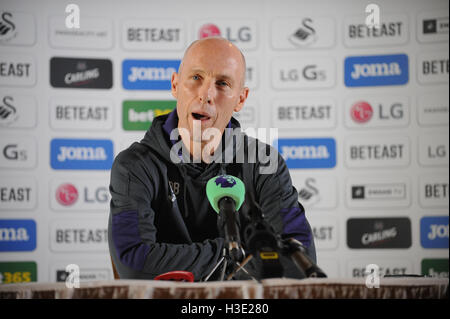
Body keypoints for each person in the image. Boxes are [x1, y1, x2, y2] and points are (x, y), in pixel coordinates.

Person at [108, 37, 316, 281]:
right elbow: (134, 264)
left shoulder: (264, 164)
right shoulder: (134, 166)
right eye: (196, 78)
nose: (206, 94)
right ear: (175, 84)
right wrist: (237, 253)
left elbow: (301, 260)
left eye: (222, 83)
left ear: (240, 99)